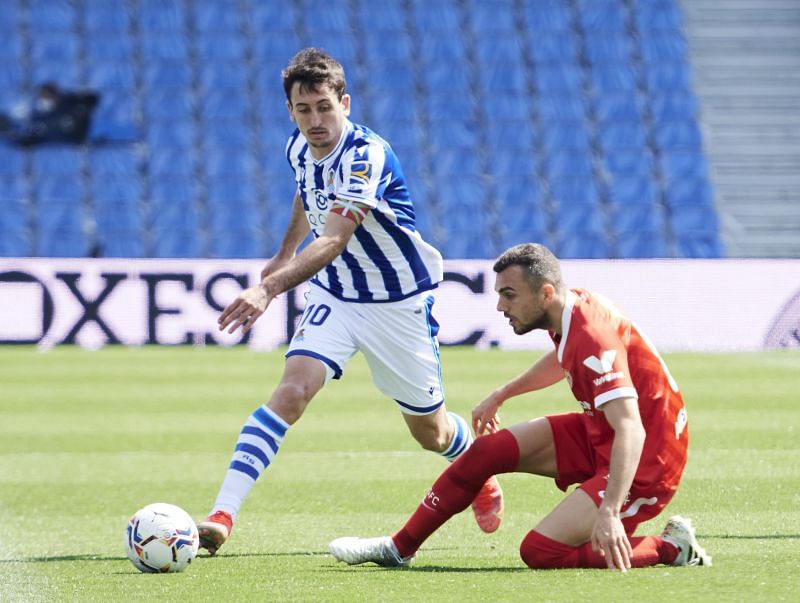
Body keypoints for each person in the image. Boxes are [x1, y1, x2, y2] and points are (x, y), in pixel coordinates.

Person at [197, 48, 503, 555]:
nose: (315, 121)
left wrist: (269, 287)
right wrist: (281, 254)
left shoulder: (366, 156)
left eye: (324, 107)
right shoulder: (298, 147)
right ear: (290, 110)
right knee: (292, 392)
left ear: (345, 101)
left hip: (396, 304)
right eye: (303, 109)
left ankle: (479, 468)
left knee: (430, 432)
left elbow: (335, 237)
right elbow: (306, 193)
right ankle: (221, 514)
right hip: (336, 295)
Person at [329, 243, 712, 571]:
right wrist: (504, 393)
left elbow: (632, 427)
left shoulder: (595, 336)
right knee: (486, 451)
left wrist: (609, 511)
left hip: (645, 458)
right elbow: (565, 356)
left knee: (540, 551)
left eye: (509, 294)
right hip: (604, 431)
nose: (499, 305)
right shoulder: (570, 310)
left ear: (545, 293)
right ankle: (399, 549)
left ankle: (672, 548)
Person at [0, 82, 99, 146]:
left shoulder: (68, 104)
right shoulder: (36, 112)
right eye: (42, 98)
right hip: (41, 133)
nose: (45, 101)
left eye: (48, 97)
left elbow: (93, 98)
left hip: (70, 137)